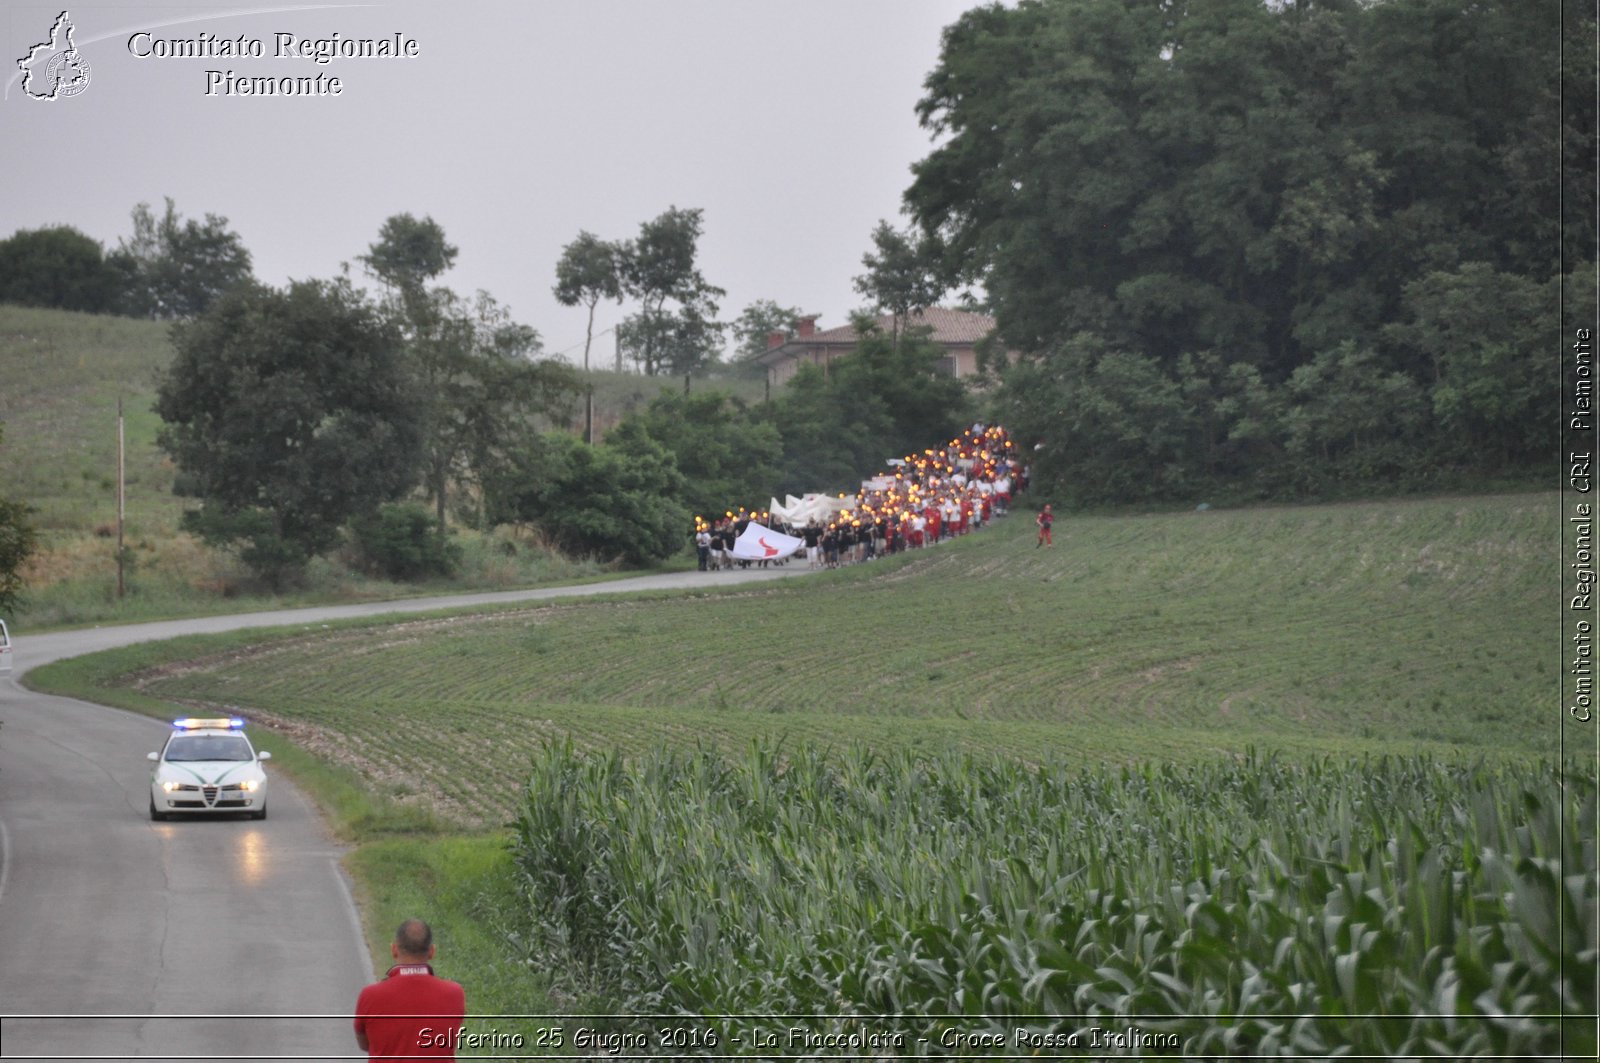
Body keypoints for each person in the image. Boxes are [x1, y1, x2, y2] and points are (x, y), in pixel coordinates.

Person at [354, 919, 466, 1060]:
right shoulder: (454, 994)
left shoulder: (370, 995)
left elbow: (365, 1044)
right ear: (431, 952)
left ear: (394, 950)